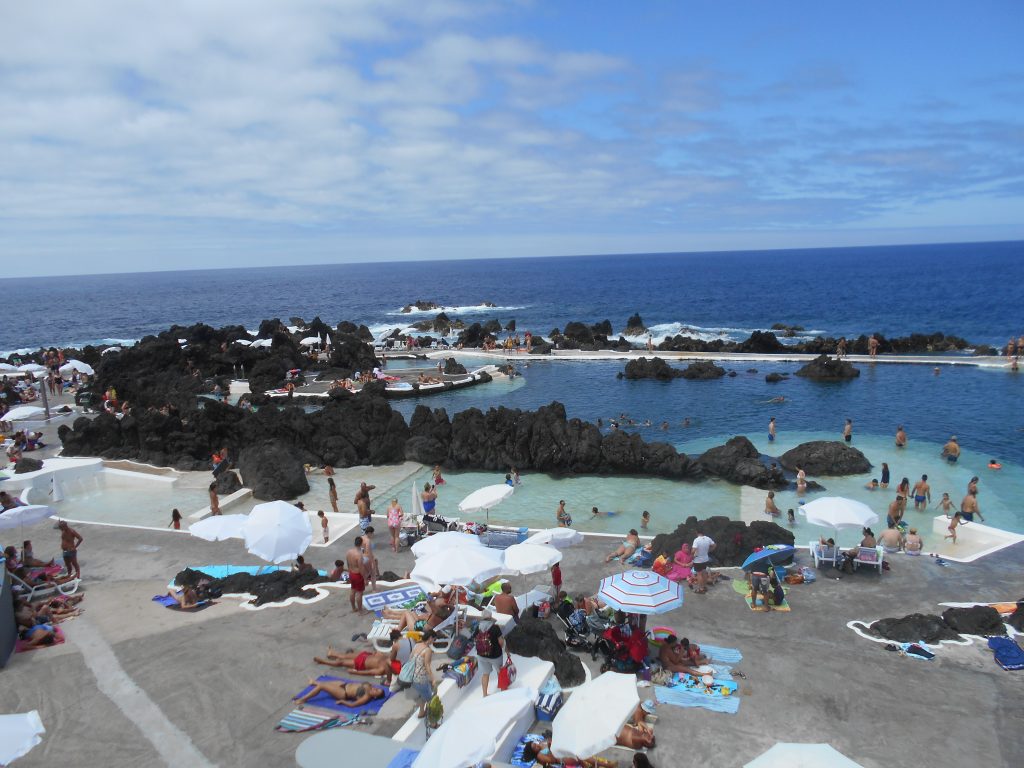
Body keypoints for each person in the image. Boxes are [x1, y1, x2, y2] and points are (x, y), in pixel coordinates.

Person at [314, 641, 401, 682]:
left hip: (361, 664)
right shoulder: (390, 659)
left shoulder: (382, 669)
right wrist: (377, 653)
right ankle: (332, 653)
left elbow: (369, 672)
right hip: (366, 656)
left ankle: (323, 662)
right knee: (343, 656)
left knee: (341, 663)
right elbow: (380, 654)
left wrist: (356, 673)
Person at [293, 678, 387, 708]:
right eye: (377, 689)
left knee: (322, 687)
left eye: (376, 692)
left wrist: (342, 702)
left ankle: (303, 699)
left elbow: (353, 705)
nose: (375, 689)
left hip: (343, 693)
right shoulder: (370, 686)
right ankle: (314, 682)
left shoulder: (366, 697)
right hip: (344, 685)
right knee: (325, 684)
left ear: (374, 697)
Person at [474, 610, 505, 697]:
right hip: (495, 656)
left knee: (485, 674)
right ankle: (503, 691)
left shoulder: (478, 627)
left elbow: (474, 639)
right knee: (500, 673)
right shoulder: (495, 627)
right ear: (490, 617)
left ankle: (484, 694)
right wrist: (504, 649)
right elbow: (501, 642)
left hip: (481, 655)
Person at [346, 537, 367, 613]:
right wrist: (365, 578)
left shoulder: (349, 552)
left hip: (351, 573)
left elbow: (348, 563)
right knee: (359, 593)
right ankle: (361, 611)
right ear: (361, 544)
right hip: (357, 575)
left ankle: (353, 608)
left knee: (353, 590)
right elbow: (361, 568)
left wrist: (349, 572)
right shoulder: (359, 555)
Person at [691, 528, 715, 593]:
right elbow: (714, 545)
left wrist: (692, 556)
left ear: (696, 532)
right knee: (704, 572)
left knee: (699, 574)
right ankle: (704, 586)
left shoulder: (696, 540)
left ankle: (701, 589)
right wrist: (709, 550)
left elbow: (693, 550)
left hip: (698, 560)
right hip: (705, 559)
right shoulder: (708, 538)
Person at [362, 527, 379, 593]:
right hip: (367, 559)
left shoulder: (361, 538)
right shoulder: (368, 541)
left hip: (361, 558)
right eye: (372, 533)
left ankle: (361, 589)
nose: (373, 535)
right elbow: (369, 552)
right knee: (373, 574)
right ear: (369, 533)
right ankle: (374, 589)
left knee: (364, 575)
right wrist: (373, 562)